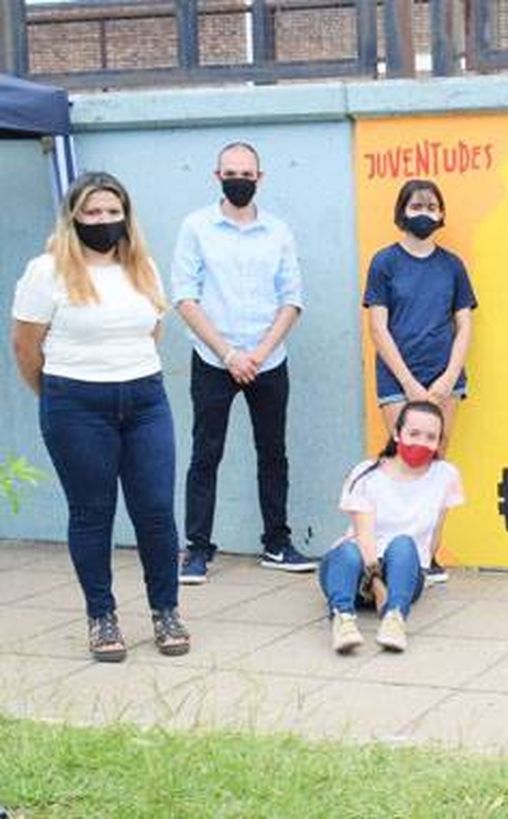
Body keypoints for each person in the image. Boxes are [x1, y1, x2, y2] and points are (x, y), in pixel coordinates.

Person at [9, 171, 190, 661]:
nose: (104, 221)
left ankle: (166, 610)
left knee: (155, 510)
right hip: (76, 404)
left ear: (126, 217)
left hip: (145, 399)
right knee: (93, 513)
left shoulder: (143, 268)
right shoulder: (46, 271)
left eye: (113, 212)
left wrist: (128, 372)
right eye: (92, 212)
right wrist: (56, 396)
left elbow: (152, 332)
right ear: (73, 218)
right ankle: (102, 616)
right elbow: (26, 347)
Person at [173, 141, 308, 583]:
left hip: (268, 360)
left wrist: (259, 353)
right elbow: (185, 297)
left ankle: (277, 541)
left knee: (273, 453)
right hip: (213, 359)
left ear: (260, 178)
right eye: (231, 173)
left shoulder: (278, 232)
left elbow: (292, 300)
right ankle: (197, 549)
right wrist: (229, 354)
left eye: (247, 175)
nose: (239, 181)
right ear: (217, 177)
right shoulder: (196, 227)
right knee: (205, 452)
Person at [362, 179, 477, 583]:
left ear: (441, 213)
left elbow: (464, 326)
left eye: (431, 205)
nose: (424, 212)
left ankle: (428, 555)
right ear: (401, 212)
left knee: (436, 463)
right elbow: (378, 328)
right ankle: (388, 554)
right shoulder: (384, 263)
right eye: (415, 205)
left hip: (445, 380)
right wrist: (409, 383)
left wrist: (447, 378)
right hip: (398, 379)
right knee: (401, 460)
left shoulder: (452, 266)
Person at [320, 400, 463, 654]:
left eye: (431, 437)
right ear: (397, 433)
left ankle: (394, 618)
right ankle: (343, 620)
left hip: (403, 573)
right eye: (414, 434)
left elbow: (433, 538)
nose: (421, 442)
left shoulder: (445, 476)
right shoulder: (366, 474)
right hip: (359, 568)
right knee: (346, 553)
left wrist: (413, 575)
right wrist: (377, 586)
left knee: (405, 545)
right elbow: (364, 535)